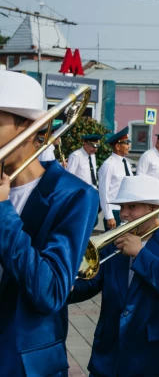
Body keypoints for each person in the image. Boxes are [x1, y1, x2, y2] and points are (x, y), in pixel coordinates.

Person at [0, 70, 99, 377]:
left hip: (22, 363)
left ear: (30, 127)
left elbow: (50, 291)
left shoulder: (75, 196)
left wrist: (3, 210)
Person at [69, 175, 159, 377]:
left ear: (153, 209)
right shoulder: (112, 244)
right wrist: (66, 286)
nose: (123, 214)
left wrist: (140, 254)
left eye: (132, 207)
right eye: (122, 207)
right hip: (108, 358)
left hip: (152, 358)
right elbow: (92, 284)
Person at [98, 126, 133, 231]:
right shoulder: (109, 165)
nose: (129, 146)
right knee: (113, 245)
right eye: (126, 143)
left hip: (127, 210)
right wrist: (109, 216)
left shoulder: (125, 162)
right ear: (118, 146)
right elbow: (103, 192)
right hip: (115, 211)